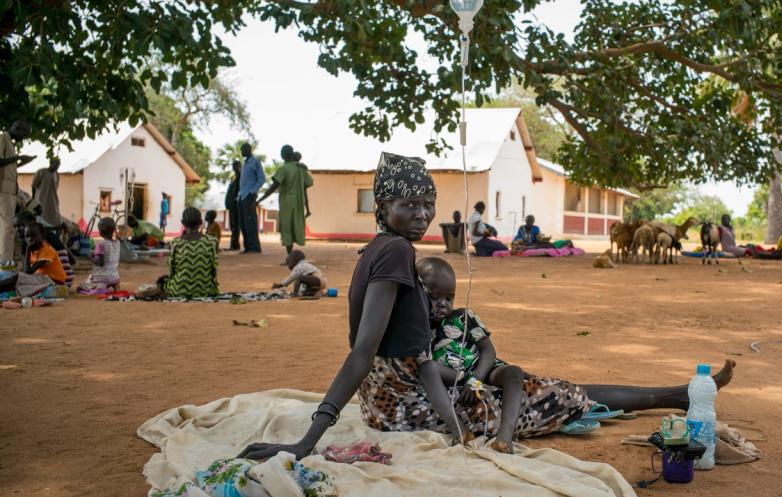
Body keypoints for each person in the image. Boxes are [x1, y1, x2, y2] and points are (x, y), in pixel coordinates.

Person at [239, 151, 737, 462]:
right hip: (409, 408)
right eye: (407, 205)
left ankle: (676, 394)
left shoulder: (377, 248)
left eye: (426, 202)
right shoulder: (395, 252)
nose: (421, 213)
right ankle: (679, 395)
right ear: (382, 208)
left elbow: (386, 349)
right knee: (561, 391)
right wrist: (307, 441)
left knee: (538, 383)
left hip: (386, 402)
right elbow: (362, 351)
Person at [418, 256, 526, 453]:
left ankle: (504, 437)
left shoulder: (463, 317)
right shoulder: (419, 330)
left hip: (484, 371)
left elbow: (488, 350)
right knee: (427, 368)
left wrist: (476, 380)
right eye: (434, 297)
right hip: (454, 376)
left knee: (515, 373)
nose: (442, 304)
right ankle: (458, 429)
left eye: (449, 298)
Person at [258, 145, 313, 255]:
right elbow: (309, 182)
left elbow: (273, 187)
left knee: (287, 228)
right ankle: (292, 255)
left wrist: (259, 200)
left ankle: (290, 255)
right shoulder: (300, 169)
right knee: (295, 226)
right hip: (298, 202)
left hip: (287, 201)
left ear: (283, 155)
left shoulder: (284, 169)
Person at [158, 207, 219, 298]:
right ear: (201, 222)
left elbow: (172, 269)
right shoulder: (212, 240)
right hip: (207, 290)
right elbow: (213, 268)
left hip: (178, 290)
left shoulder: (175, 243)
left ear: (182, 223)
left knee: (162, 281)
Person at [1, 120, 35, 262]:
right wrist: (19, 158)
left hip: (9, 190)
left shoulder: (10, 142)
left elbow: (7, 167)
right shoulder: (3, 138)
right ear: (17, 127)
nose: (24, 138)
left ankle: (5, 261)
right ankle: (4, 262)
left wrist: (21, 162)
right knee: (8, 228)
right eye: (24, 134)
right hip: (3, 190)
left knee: (6, 228)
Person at [77, 217, 121, 294]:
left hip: (101, 276)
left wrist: (88, 256)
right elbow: (108, 254)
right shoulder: (117, 243)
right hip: (114, 276)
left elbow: (99, 262)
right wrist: (95, 254)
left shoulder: (100, 244)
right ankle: (114, 285)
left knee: (80, 287)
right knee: (111, 276)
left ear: (100, 232)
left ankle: (100, 287)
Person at [239, 142, 265, 253]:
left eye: (243, 150)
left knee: (251, 222)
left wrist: (252, 191)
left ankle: (255, 247)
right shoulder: (244, 164)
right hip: (241, 196)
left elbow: (261, 179)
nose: (242, 152)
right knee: (243, 223)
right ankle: (247, 246)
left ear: (249, 150)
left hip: (249, 196)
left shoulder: (255, 162)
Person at [31, 157, 61, 228]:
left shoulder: (57, 175)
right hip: (40, 199)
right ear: (51, 163)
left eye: (59, 165)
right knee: (41, 216)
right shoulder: (41, 172)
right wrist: (33, 198)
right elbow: (34, 186)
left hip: (52, 201)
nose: (57, 166)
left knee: (53, 217)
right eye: (56, 164)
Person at [225, 160, 242, 251]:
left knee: (235, 225)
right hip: (231, 204)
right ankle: (233, 244)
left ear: (239, 166)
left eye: (235, 165)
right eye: (233, 164)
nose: (233, 166)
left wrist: (235, 200)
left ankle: (235, 245)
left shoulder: (240, 177)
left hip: (235, 204)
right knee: (233, 225)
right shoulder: (234, 177)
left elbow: (237, 191)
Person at [293, 151, 311, 218]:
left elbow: (306, 169)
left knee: (304, 196)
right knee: (305, 195)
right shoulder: (301, 165)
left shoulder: (300, 165)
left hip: (302, 182)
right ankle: (308, 211)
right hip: (302, 182)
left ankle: (308, 211)